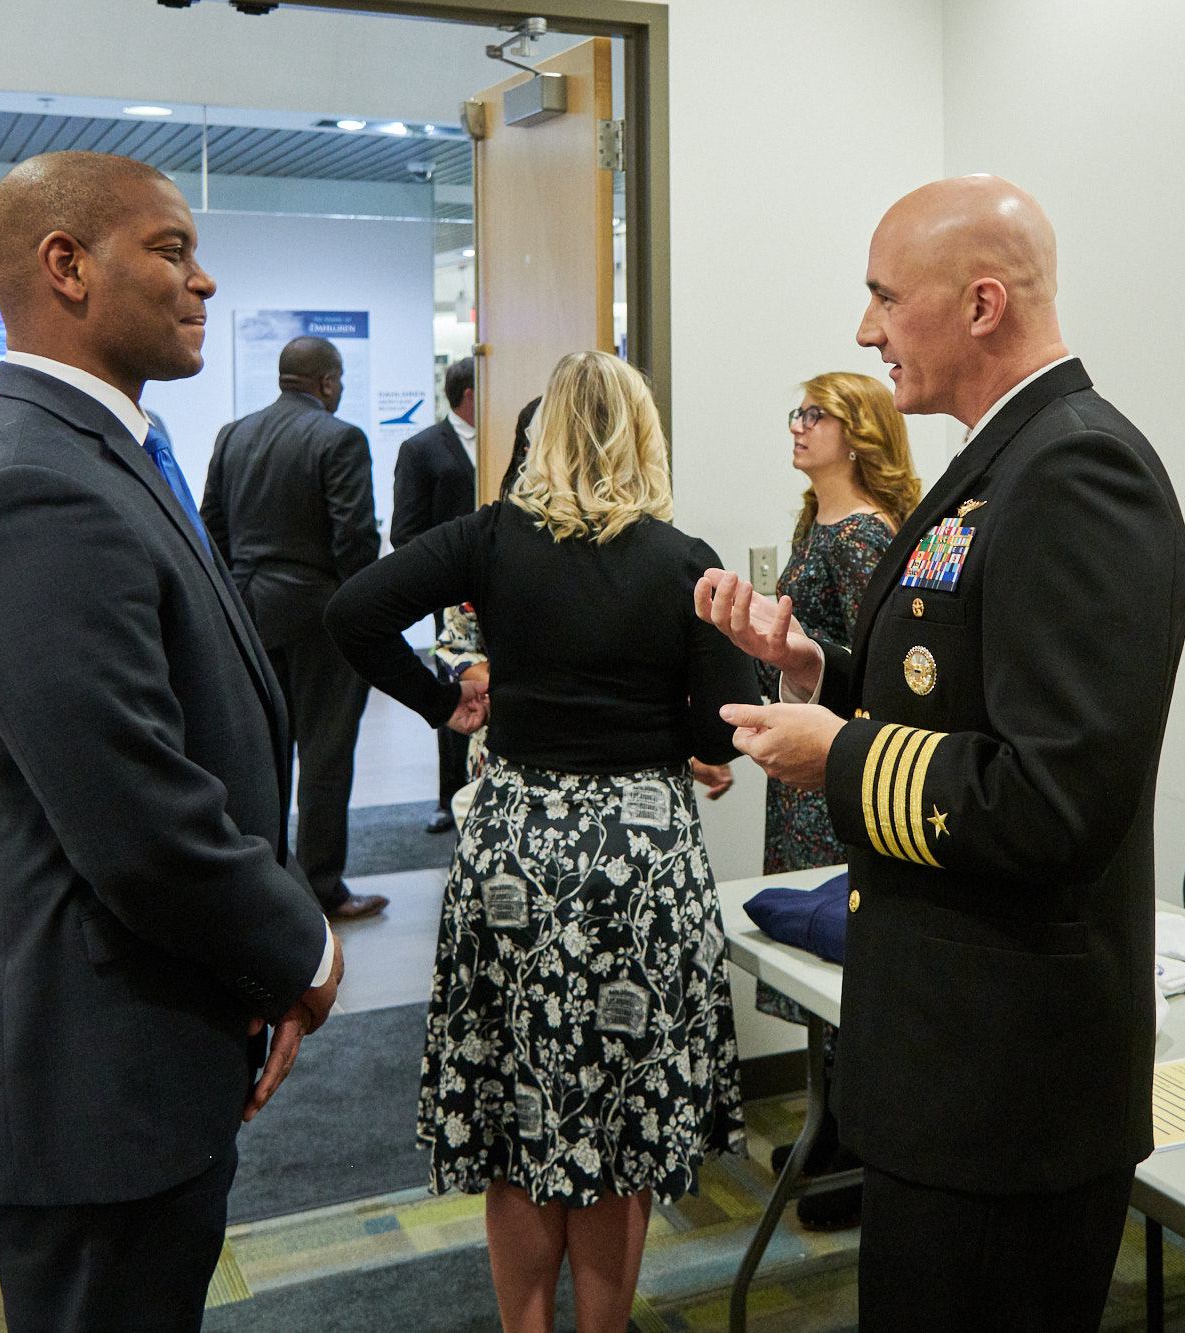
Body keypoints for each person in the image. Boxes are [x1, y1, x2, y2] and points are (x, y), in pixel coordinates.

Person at [697, 175, 1185, 1330]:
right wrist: (822, 674)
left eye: (883, 298)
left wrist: (842, 757)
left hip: (1007, 1084)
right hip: (951, 1063)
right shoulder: (1002, 458)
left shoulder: (1075, 471)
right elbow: (955, 691)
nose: (864, 330)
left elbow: (1053, 795)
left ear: (978, 305)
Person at [0, 151, 342, 1332]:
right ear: (68, 266)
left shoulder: (99, 453)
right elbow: (137, 815)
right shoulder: (31, 488)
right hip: (95, 1070)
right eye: (170, 249)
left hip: (148, 1038)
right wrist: (300, 949)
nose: (204, 280)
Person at [326, 351, 756, 1333]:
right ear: (644, 435)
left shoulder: (488, 539)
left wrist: (442, 699)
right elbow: (718, 730)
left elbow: (352, 613)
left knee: (519, 1114)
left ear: (541, 433)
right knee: (617, 1124)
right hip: (637, 859)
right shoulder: (684, 560)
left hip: (514, 848)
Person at [755, 371, 922, 1229]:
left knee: (847, 963)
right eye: (799, 412)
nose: (799, 425)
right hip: (806, 766)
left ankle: (856, 1143)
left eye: (815, 414)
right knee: (815, 965)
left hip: (839, 767)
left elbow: (876, 669)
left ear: (858, 433)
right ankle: (831, 1125)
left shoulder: (864, 534)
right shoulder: (816, 520)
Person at [202, 336, 389, 921]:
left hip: (250, 614)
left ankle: (264, 884)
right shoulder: (340, 438)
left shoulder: (233, 435)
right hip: (320, 618)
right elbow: (354, 536)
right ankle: (323, 888)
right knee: (326, 755)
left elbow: (211, 528)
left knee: (261, 755)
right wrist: (363, 613)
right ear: (327, 382)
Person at [391, 356, 479, 834]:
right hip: (451, 597)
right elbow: (405, 532)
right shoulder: (421, 449)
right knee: (454, 686)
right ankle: (450, 797)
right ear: (469, 394)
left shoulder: (508, 441)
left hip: (500, 590)